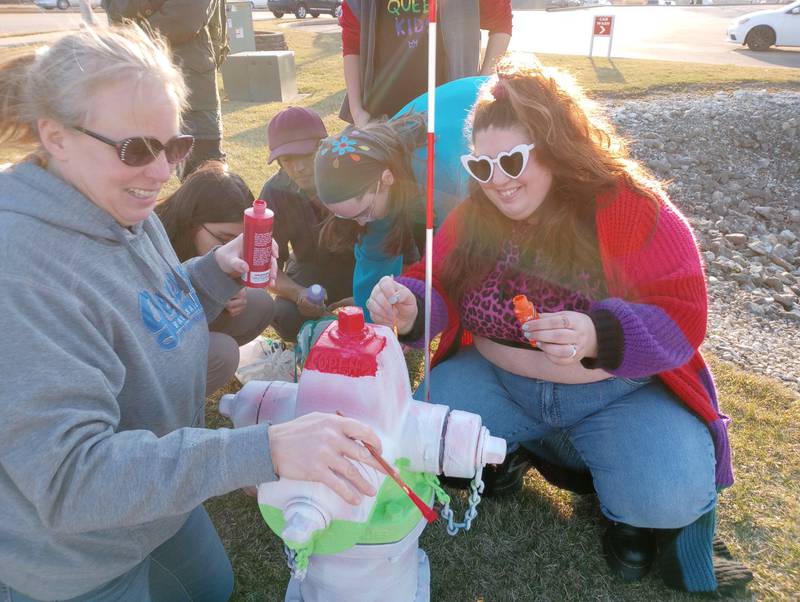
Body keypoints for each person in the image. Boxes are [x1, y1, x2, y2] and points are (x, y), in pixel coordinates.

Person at [0, 24, 383, 601]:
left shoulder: (115, 199)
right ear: (55, 136)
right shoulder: (20, 273)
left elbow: (142, 304)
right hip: (75, 558)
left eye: (173, 146)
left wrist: (209, 272)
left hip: (155, 508)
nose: (162, 174)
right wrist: (266, 448)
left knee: (212, 586)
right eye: (136, 148)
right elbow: (69, 478)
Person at [367, 57, 752, 595]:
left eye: (513, 160)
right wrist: (412, 304)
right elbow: (435, 282)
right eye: (481, 166)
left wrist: (599, 335)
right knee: (426, 436)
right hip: (499, 383)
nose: (497, 181)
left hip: (621, 397)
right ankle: (517, 450)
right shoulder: (476, 212)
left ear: (556, 145)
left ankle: (625, 511)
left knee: (670, 494)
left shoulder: (633, 206)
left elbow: (682, 312)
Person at [315, 76, 486, 320]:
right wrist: (370, 322)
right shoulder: (376, 169)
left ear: (386, 179)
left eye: (363, 212)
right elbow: (375, 257)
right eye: (346, 216)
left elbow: (467, 250)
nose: (361, 222)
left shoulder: (441, 173)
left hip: (498, 114)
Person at [156, 161, 276, 393]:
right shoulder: (156, 239)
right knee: (223, 352)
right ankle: (173, 405)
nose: (231, 249)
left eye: (240, 240)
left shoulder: (208, 242)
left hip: (192, 327)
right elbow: (153, 316)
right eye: (223, 239)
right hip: (156, 343)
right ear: (191, 222)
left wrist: (229, 289)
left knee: (259, 302)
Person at [258, 106, 355, 343]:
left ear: (324, 147)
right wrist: (298, 293)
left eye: (307, 155)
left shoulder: (354, 175)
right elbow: (266, 269)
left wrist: (366, 294)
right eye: (288, 159)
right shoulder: (274, 191)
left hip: (364, 265)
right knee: (285, 317)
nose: (299, 167)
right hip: (310, 268)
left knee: (376, 313)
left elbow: (393, 250)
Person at [104, 0, 228, 179]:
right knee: (136, 165)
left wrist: (129, 37)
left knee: (205, 172)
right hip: (136, 82)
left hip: (192, 88)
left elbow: (183, 21)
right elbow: (117, 11)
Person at [339, 0, 513, 126]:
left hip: (448, 114)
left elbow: (501, 21)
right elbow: (352, 42)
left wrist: (479, 86)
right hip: (382, 118)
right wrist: (357, 111)